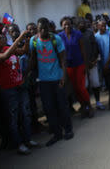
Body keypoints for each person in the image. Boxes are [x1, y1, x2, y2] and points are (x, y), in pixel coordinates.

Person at [0, 30, 38, 155]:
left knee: (25, 114)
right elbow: (5, 56)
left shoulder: (6, 47)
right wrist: (20, 37)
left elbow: (23, 51)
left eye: (2, 36)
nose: (3, 38)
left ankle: (28, 139)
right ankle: (19, 144)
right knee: (13, 118)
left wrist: (26, 40)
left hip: (20, 86)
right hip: (8, 90)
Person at [29, 18, 73, 146]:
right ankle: (57, 133)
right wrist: (27, 74)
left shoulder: (56, 39)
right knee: (49, 108)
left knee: (62, 105)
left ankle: (68, 130)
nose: (43, 31)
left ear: (49, 28)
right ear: (37, 29)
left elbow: (63, 59)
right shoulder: (34, 41)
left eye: (45, 28)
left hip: (57, 78)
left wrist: (64, 77)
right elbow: (32, 59)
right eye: (40, 29)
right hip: (43, 80)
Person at [59, 17, 94, 118]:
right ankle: (83, 107)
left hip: (79, 64)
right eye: (64, 24)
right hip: (68, 66)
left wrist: (86, 65)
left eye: (68, 24)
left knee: (81, 87)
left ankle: (89, 106)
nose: (67, 26)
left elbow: (83, 50)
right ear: (61, 26)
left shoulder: (77, 34)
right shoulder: (60, 36)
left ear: (72, 24)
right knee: (75, 88)